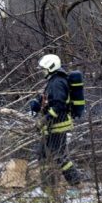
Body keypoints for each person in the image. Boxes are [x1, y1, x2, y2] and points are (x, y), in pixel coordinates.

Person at [29, 54, 81, 188]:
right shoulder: (53, 81)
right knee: (43, 155)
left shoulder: (58, 82)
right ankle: (48, 186)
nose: (42, 71)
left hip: (58, 125)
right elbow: (49, 100)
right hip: (52, 126)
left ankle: (75, 183)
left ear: (51, 67)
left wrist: (45, 119)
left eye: (44, 69)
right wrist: (37, 104)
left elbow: (58, 104)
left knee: (59, 156)